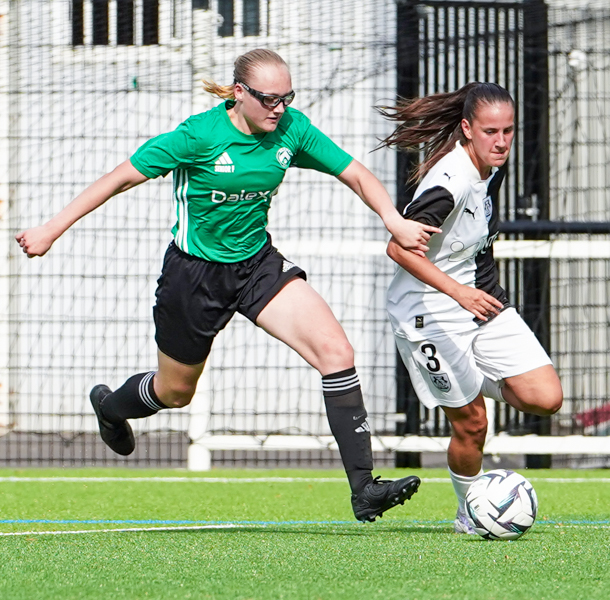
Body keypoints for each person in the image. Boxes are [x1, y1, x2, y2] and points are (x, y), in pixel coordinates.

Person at [15, 49, 439, 523]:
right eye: (269, 99)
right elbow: (117, 180)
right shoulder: (198, 136)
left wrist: (393, 220)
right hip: (193, 277)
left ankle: (365, 489)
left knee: (336, 352)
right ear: (240, 93)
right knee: (176, 392)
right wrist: (51, 229)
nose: (280, 108)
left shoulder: (291, 129)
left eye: (287, 97)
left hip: (257, 265)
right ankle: (112, 408)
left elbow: (355, 173)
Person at [376, 82, 563, 534]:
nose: (501, 142)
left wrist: (474, 292)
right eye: (490, 132)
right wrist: (458, 293)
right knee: (473, 423)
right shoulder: (450, 183)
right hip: (427, 314)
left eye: (508, 131)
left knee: (545, 398)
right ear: (467, 129)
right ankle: (469, 513)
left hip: (480, 302)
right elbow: (398, 249)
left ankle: (465, 380)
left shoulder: (490, 168)